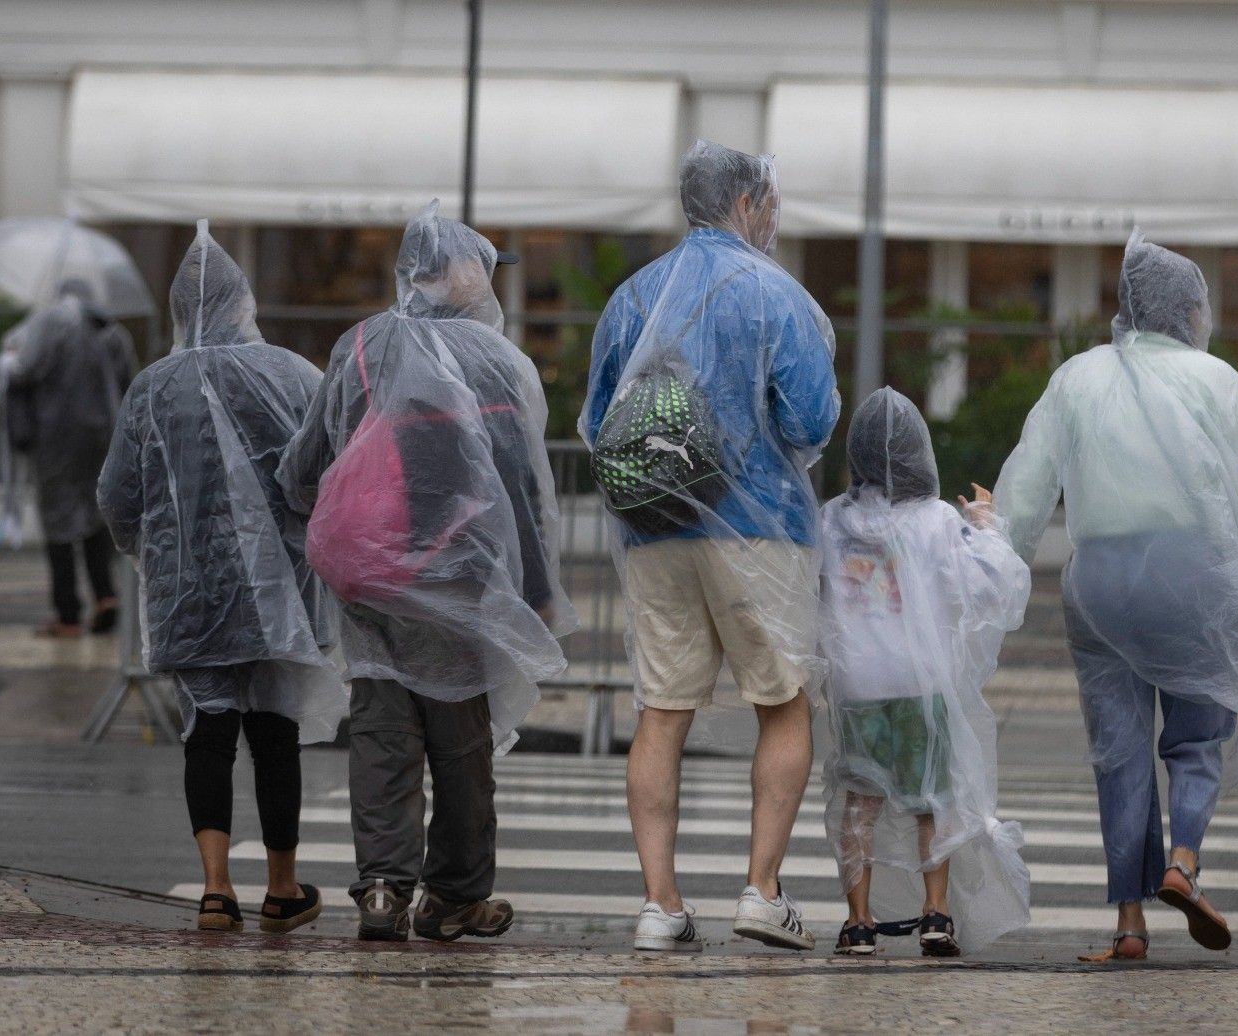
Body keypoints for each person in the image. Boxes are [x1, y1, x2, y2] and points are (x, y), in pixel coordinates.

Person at [994, 229, 1238, 962]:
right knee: (1196, 733)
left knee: (1117, 749)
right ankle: (1183, 861)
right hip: (1192, 571)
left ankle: (1128, 921)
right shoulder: (1215, 381)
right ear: (1186, 311)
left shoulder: (1076, 377)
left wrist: (994, 567)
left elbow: (1026, 494)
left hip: (1099, 583)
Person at [279, 200, 571, 943]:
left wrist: (340, 510)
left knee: (381, 729)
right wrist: (535, 588)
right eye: (479, 263)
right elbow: (521, 486)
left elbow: (304, 464)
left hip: (370, 570)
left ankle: (381, 887)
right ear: (457, 274)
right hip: (458, 577)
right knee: (460, 740)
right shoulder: (495, 360)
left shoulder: (362, 346)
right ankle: (455, 893)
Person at [580, 140, 840, 952]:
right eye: (769, 202)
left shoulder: (632, 297)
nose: (772, 216)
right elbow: (811, 420)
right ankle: (762, 889)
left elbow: (598, 419)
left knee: (662, 711)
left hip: (656, 529)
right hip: (761, 528)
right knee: (782, 703)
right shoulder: (776, 293)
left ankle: (661, 905)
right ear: (746, 204)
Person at [98, 222, 345, 934]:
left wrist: (149, 551)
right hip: (280, 594)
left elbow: (117, 493)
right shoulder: (294, 374)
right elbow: (328, 463)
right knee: (274, 729)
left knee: (207, 730)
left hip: (190, 591)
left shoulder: (152, 388)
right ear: (244, 302)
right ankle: (282, 886)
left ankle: (214, 888)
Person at [819, 388, 1032, 958]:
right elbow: (991, 581)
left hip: (857, 687)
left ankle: (858, 922)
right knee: (931, 798)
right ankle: (935, 914)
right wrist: (986, 522)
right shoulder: (937, 521)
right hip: (918, 684)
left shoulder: (833, 522)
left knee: (860, 801)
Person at [3, 278, 135, 637]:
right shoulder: (113, 333)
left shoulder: (50, 322)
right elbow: (130, 386)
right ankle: (106, 595)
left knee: (57, 519)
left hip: (57, 436)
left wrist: (11, 358)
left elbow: (24, 371)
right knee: (94, 516)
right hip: (104, 437)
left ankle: (68, 615)